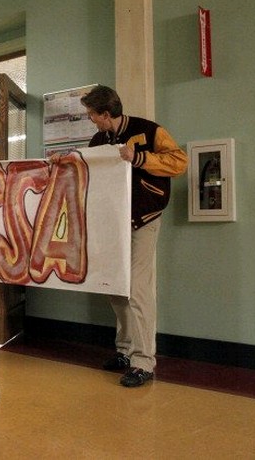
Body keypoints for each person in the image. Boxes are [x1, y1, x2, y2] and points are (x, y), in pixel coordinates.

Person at [60, 85, 187, 387]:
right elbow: (86, 171)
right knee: (115, 287)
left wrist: (139, 158)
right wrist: (63, 162)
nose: (90, 119)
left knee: (138, 289)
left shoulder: (149, 130)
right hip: (113, 223)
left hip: (145, 220)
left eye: (92, 114)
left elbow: (179, 162)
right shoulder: (98, 140)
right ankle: (125, 351)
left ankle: (144, 362)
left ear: (106, 114)